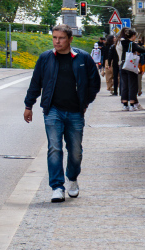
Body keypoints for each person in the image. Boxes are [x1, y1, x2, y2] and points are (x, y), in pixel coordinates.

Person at [23, 23, 100, 203]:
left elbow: (94, 83)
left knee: (75, 151)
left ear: (70, 39)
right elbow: (36, 83)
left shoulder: (83, 58)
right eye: (54, 38)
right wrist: (29, 105)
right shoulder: (45, 58)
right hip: (53, 110)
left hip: (75, 112)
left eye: (61, 38)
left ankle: (72, 179)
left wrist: (85, 102)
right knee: (54, 148)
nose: (57, 41)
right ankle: (57, 187)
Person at [115, 28, 142, 111]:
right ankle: (132, 104)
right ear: (133, 36)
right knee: (132, 85)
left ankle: (125, 104)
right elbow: (141, 50)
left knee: (124, 85)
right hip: (130, 66)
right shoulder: (131, 44)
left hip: (122, 65)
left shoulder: (120, 42)